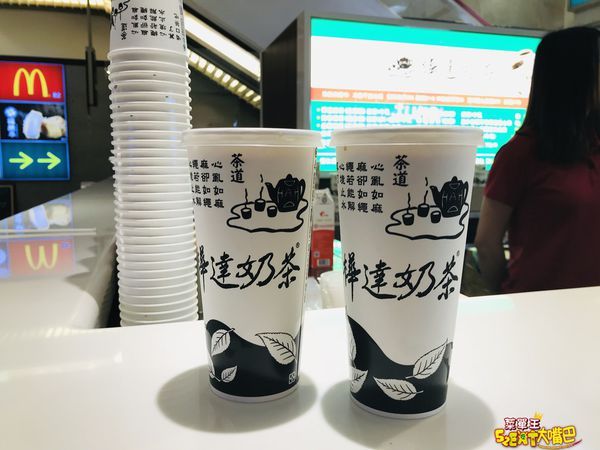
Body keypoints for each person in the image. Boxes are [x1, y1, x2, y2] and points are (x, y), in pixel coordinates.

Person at [475, 27, 600, 294]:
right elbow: (486, 244)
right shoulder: (520, 153)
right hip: (536, 307)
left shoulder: (593, 145)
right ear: (578, 76)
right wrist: (508, 301)